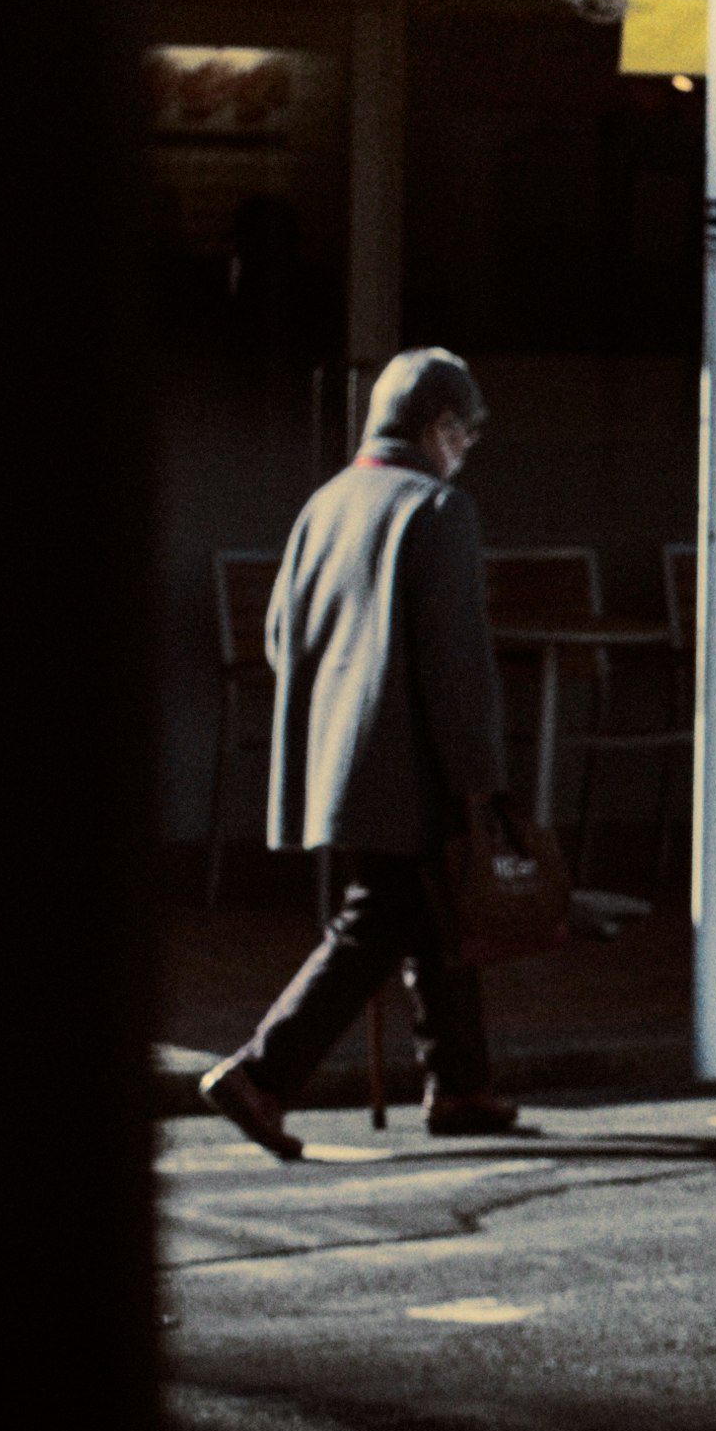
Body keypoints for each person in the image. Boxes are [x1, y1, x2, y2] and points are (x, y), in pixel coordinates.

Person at [199, 347, 527, 1157]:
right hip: (412, 768)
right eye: (466, 432)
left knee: (433, 916)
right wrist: (486, 781)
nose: (467, 449)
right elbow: (459, 669)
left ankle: (461, 1085)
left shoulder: (326, 502)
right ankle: (260, 1075)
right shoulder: (438, 510)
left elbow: (281, 637)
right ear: (438, 426)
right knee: (380, 920)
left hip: (336, 763)